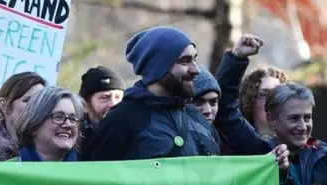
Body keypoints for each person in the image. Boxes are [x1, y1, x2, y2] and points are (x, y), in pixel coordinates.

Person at [80, 27, 288, 168]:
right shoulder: (122, 120)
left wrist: (270, 165)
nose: (195, 70)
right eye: (185, 61)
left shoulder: (197, 120)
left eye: (194, 60)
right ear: (158, 67)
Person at [6, 87, 82, 162]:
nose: (68, 125)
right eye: (58, 117)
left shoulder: (85, 172)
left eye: (72, 119)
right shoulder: (7, 171)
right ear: (34, 125)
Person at [78, 66, 125, 147]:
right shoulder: (73, 138)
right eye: (104, 97)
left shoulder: (135, 133)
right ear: (85, 105)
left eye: (118, 97)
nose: (113, 104)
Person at [239, 66, 288, 140]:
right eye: (264, 94)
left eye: (279, 93)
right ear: (249, 101)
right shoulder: (237, 141)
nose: (273, 100)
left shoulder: (298, 141)